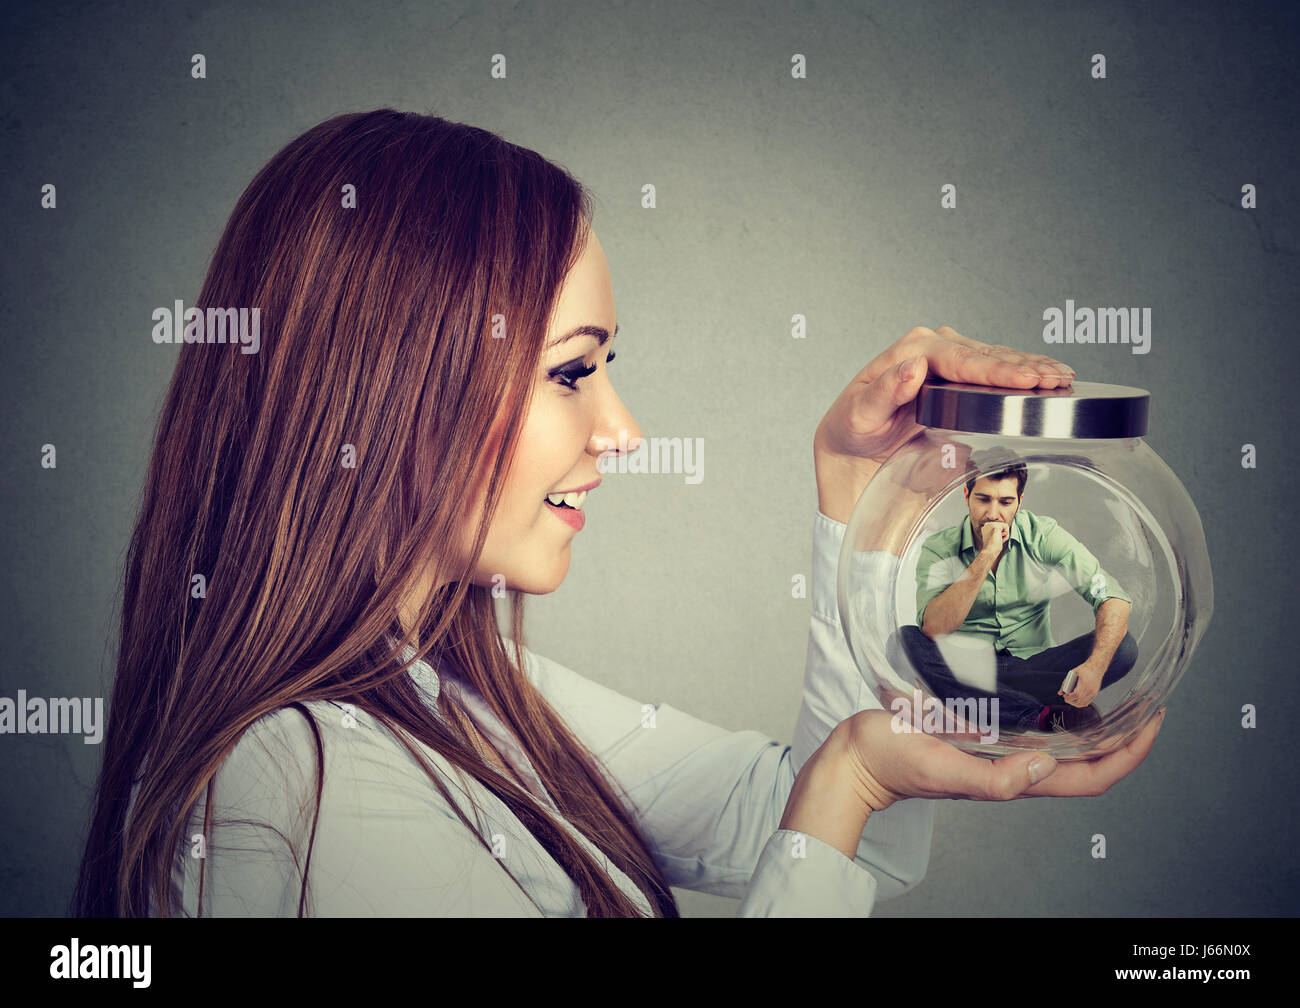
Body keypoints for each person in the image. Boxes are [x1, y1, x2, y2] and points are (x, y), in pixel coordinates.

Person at [71, 109, 1162, 919]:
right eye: (569, 373)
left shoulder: (461, 696)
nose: (622, 429)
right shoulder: (290, 782)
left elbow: (807, 831)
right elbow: (832, 802)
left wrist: (858, 495)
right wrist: (853, 780)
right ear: (391, 386)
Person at [896, 465, 1139, 733]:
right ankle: (1040, 716)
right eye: (983, 499)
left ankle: (987, 706)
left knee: (1123, 648)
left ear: (1020, 502)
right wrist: (987, 554)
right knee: (903, 643)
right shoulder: (939, 548)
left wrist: (1095, 667)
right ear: (966, 495)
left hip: (1034, 669)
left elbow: (1113, 598)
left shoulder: (1043, 535)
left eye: (1005, 502)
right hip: (967, 667)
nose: (993, 514)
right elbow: (933, 628)